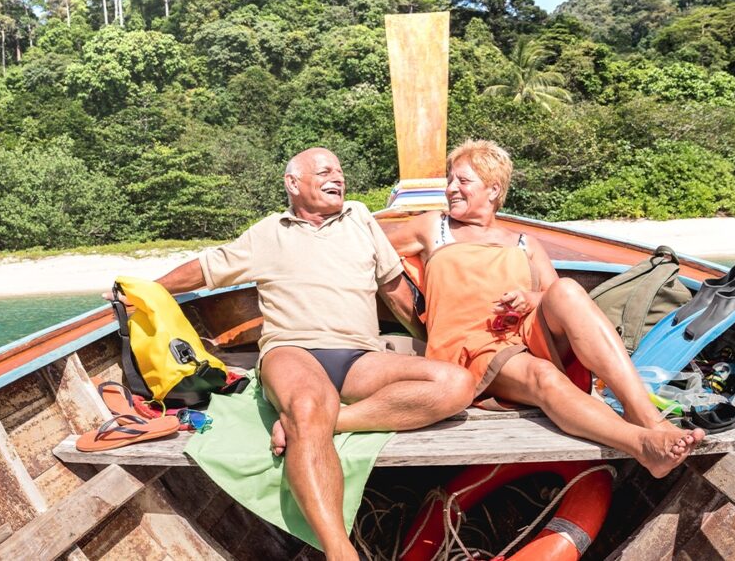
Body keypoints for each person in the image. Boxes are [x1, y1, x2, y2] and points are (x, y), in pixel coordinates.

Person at [126, 147, 475, 561]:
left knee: (456, 384)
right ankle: (339, 551)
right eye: (325, 171)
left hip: (359, 356)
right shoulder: (269, 232)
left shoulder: (361, 218)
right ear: (293, 183)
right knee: (308, 403)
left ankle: (325, 423)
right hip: (292, 350)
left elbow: (396, 292)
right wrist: (141, 291)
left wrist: (434, 342)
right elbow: (204, 269)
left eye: (340, 172)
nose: (338, 178)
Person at [386, 139, 705, 479]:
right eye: (450, 180)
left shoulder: (525, 243)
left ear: (493, 189)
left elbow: (557, 300)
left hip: (524, 332)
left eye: (463, 181)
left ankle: (647, 416)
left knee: (566, 289)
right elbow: (371, 252)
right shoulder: (433, 226)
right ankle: (642, 444)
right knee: (543, 375)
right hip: (470, 347)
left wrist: (532, 298)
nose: (451, 188)